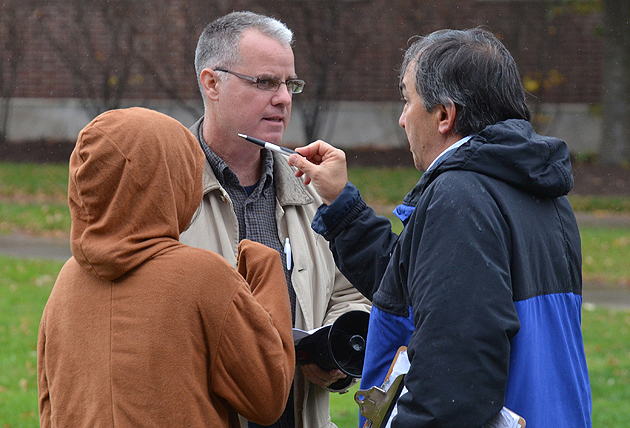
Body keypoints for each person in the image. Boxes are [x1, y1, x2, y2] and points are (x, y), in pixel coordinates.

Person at [289, 28, 592, 428]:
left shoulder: (461, 197)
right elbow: (428, 299)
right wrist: (344, 207)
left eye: (406, 100)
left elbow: (454, 380)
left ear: (445, 116)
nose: (401, 119)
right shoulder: (540, 195)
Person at [37, 107, 295, 427]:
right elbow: (268, 394)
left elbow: (50, 406)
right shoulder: (202, 277)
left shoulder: (67, 281)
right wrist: (266, 267)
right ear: (170, 183)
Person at [179, 11, 371, 428]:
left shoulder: (316, 188)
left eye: (290, 84)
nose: (284, 97)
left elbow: (352, 292)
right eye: (265, 82)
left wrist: (332, 351)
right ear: (211, 83)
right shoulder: (166, 188)